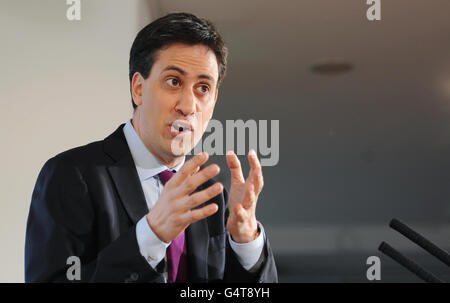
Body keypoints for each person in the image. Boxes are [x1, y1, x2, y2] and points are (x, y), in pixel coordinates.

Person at [25, 12, 277, 283]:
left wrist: (245, 240)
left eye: (203, 88)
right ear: (138, 89)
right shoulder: (72, 175)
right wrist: (151, 235)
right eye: (173, 82)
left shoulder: (211, 197)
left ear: (213, 101)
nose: (189, 106)